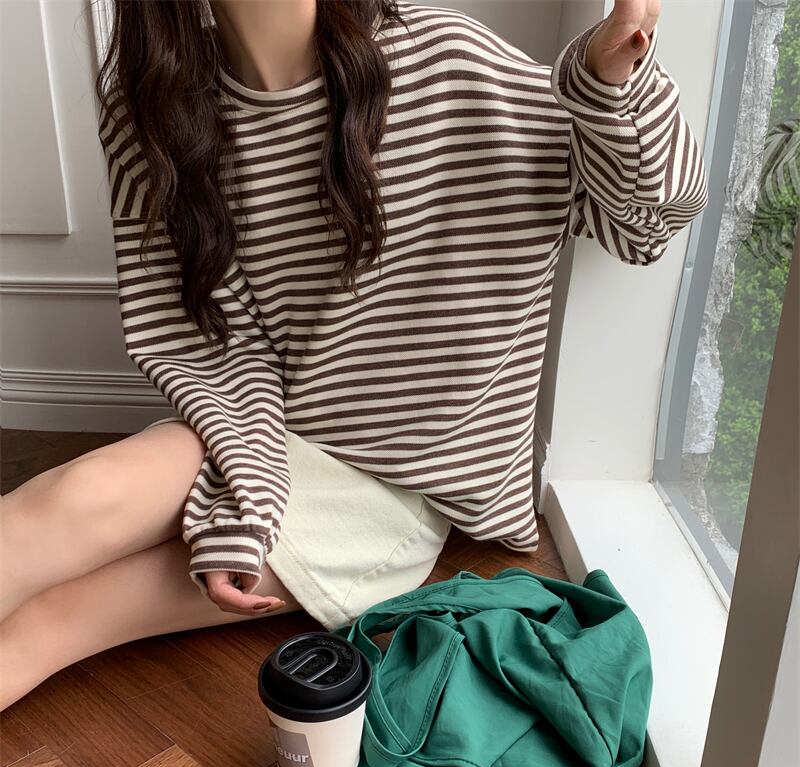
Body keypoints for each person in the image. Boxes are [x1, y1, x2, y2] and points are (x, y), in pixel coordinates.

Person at [0, 0, 707, 711]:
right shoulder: (157, 107)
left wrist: (607, 80)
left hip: (395, 494)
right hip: (262, 426)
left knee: (53, 624)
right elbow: (206, 341)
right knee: (72, 498)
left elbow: (644, 225)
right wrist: (245, 492)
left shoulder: (447, 63)